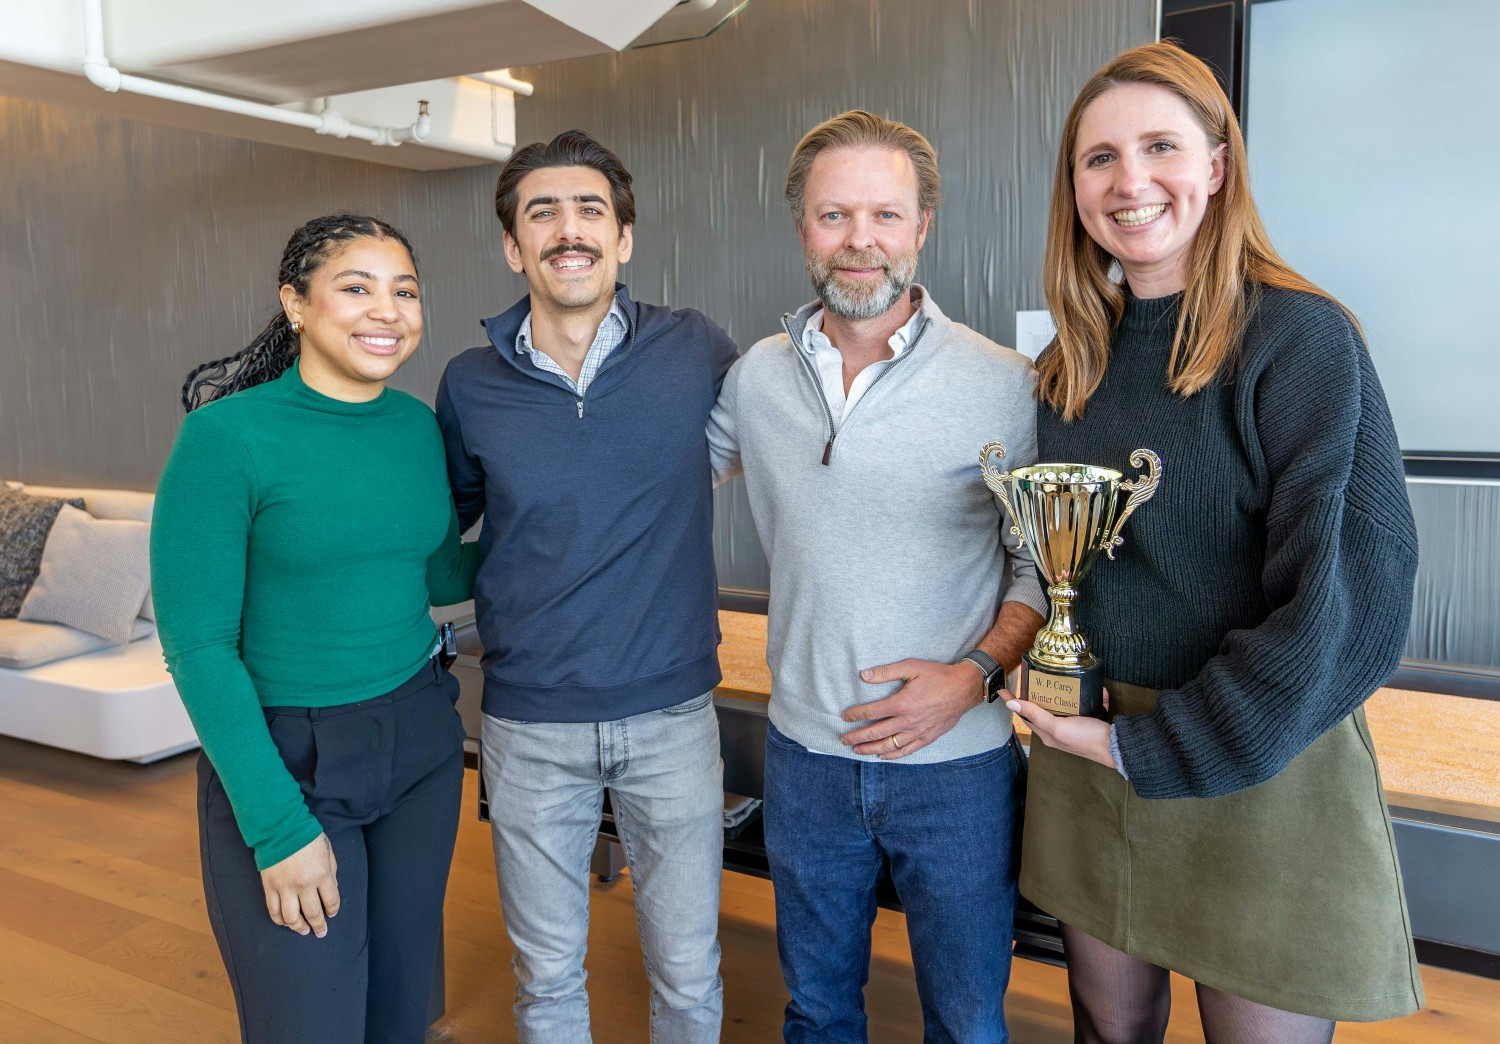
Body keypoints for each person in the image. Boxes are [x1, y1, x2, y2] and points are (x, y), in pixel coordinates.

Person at [1007, 42, 1424, 1043]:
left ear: (1219, 166)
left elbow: (1349, 602)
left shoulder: (1300, 338)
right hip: (1089, 750)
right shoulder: (1071, 361)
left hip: (1258, 752)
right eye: (1098, 158)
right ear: (1073, 187)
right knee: (1108, 1033)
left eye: (1160, 146)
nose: (1129, 180)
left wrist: (1151, 744)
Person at [708, 110, 1047, 1043]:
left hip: (960, 770)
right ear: (802, 227)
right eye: (834, 216)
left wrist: (973, 676)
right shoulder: (755, 380)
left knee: (969, 1022)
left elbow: (1040, 568)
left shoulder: (1007, 385)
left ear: (923, 225)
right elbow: (650, 491)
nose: (861, 241)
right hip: (805, 760)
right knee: (817, 1014)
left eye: (886, 216)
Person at [435, 130, 738, 1044]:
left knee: (688, 976)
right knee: (547, 978)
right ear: (512, 246)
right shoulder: (470, 382)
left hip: (673, 717)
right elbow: (449, 528)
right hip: (526, 725)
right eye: (543, 213)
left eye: (590, 210)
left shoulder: (696, 350)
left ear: (626, 237)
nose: (569, 230)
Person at [151, 214, 478, 1042]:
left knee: (401, 1011)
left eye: (405, 291)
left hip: (421, 742)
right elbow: (198, 651)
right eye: (357, 287)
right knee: (310, 1023)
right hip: (286, 761)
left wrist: (560, 538)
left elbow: (440, 575)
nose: (389, 311)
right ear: (295, 305)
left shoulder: (413, 428)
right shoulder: (224, 439)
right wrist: (278, 827)